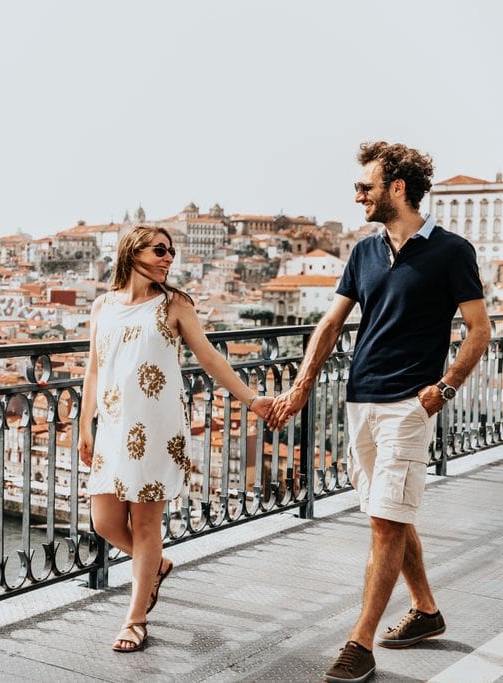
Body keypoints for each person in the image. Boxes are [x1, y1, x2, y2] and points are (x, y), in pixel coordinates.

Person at [268, 141, 491, 683]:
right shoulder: (364, 251)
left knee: (386, 523)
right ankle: (427, 611)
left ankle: (360, 644)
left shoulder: (452, 251)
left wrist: (445, 388)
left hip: (408, 406)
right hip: (360, 400)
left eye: (364, 186)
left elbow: (480, 330)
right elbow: (330, 323)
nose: (357, 196)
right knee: (386, 512)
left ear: (397, 187)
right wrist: (301, 387)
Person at [78, 224, 274, 652]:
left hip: (157, 428)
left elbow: (210, 358)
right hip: (112, 428)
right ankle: (156, 565)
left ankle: (135, 620)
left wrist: (251, 399)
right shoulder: (102, 306)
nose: (168, 258)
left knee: (146, 524)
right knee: (104, 522)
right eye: (160, 250)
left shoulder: (175, 304)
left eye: (171, 252)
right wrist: (84, 424)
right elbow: (94, 367)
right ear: (132, 252)